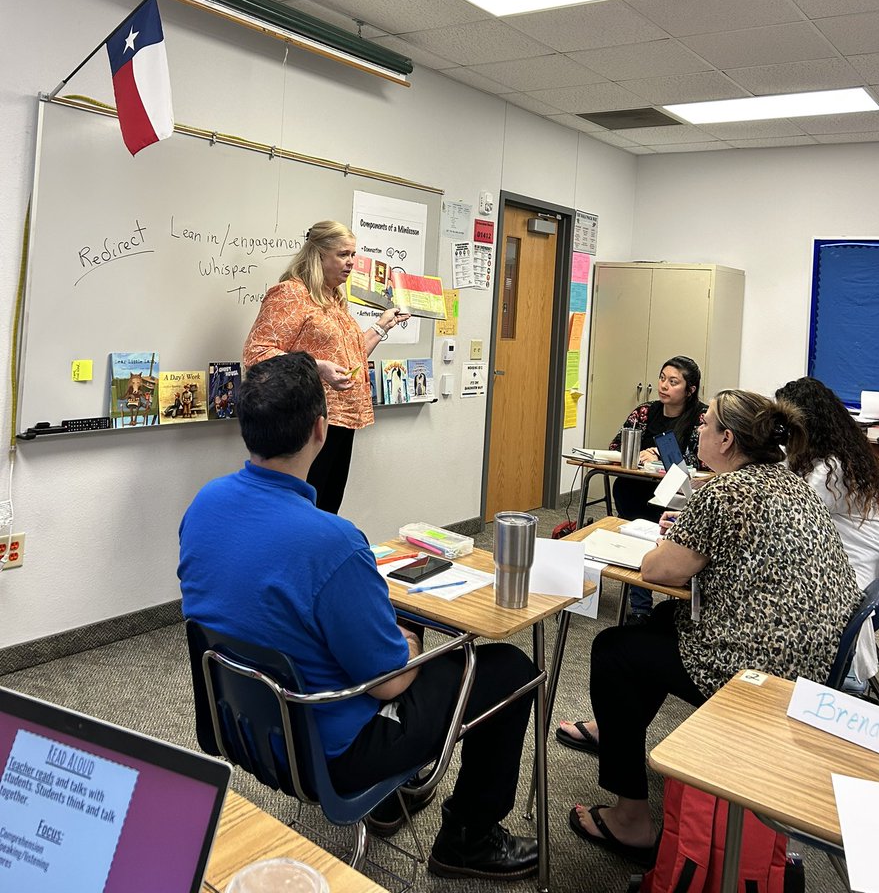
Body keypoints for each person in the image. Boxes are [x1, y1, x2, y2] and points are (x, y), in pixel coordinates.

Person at [179, 352, 539, 881]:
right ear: (321, 429)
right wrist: (410, 644)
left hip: (240, 725)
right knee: (511, 667)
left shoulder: (204, 505)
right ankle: (469, 838)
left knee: (388, 624)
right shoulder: (333, 542)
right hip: (330, 752)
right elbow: (390, 684)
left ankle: (390, 802)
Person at [559, 390, 859, 864]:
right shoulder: (788, 482)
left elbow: (659, 571)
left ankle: (630, 820)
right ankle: (617, 732)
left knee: (614, 651)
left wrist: (677, 540)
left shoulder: (722, 493)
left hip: (757, 674)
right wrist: (690, 531)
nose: (698, 428)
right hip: (809, 661)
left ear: (727, 439)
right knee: (664, 620)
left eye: (707, 423)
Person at [243, 220, 409, 514]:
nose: (351, 263)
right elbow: (256, 353)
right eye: (343, 254)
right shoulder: (291, 294)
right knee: (304, 508)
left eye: (353, 255)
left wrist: (382, 326)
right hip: (307, 421)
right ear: (318, 255)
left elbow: (351, 356)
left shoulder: (334, 299)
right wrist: (317, 367)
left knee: (328, 506)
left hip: (343, 419)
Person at [777, 376, 879, 682]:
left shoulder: (831, 469)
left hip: (855, 569)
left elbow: (790, 513)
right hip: (851, 557)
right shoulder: (833, 456)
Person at [609, 356, 706, 621]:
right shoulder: (644, 412)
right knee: (634, 529)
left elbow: (703, 460)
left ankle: (669, 607)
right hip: (636, 488)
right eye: (662, 378)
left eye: (673, 382)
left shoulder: (702, 418)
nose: (664, 386)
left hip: (676, 495)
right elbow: (616, 447)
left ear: (690, 389)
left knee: (652, 537)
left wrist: (661, 455)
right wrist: (642, 454)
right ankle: (640, 608)